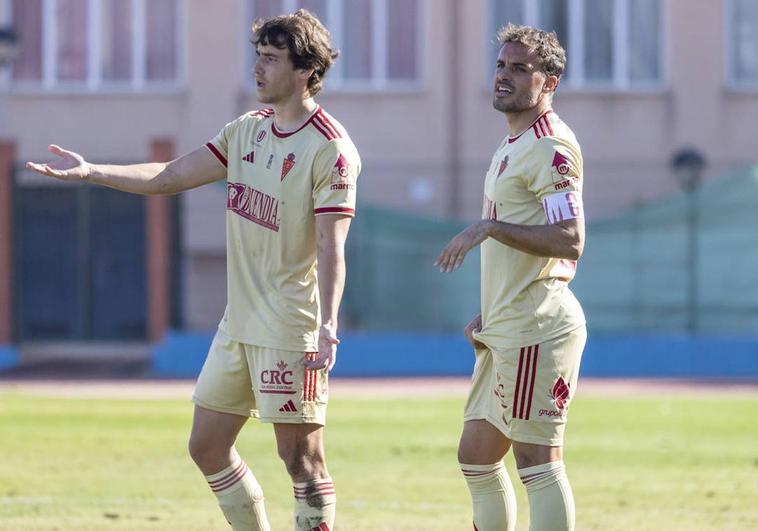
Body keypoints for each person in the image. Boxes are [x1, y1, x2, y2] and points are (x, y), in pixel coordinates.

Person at [27, 10, 359, 531]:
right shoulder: (246, 130)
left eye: (271, 59)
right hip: (238, 324)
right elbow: (169, 174)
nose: (258, 68)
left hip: (290, 326)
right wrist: (93, 171)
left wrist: (328, 325)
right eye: (258, 56)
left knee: (302, 461)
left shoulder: (331, 148)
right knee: (206, 446)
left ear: (304, 70)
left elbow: (331, 245)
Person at [434, 24, 586, 531]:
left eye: (521, 69)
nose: (504, 76)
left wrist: (489, 227)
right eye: (501, 65)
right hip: (506, 323)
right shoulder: (511, 145)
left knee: (538, 463)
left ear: (549, 83)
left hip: (537, 325)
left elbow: (569, 239)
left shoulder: (551, 146)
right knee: (476, 455)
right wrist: (492, 311)